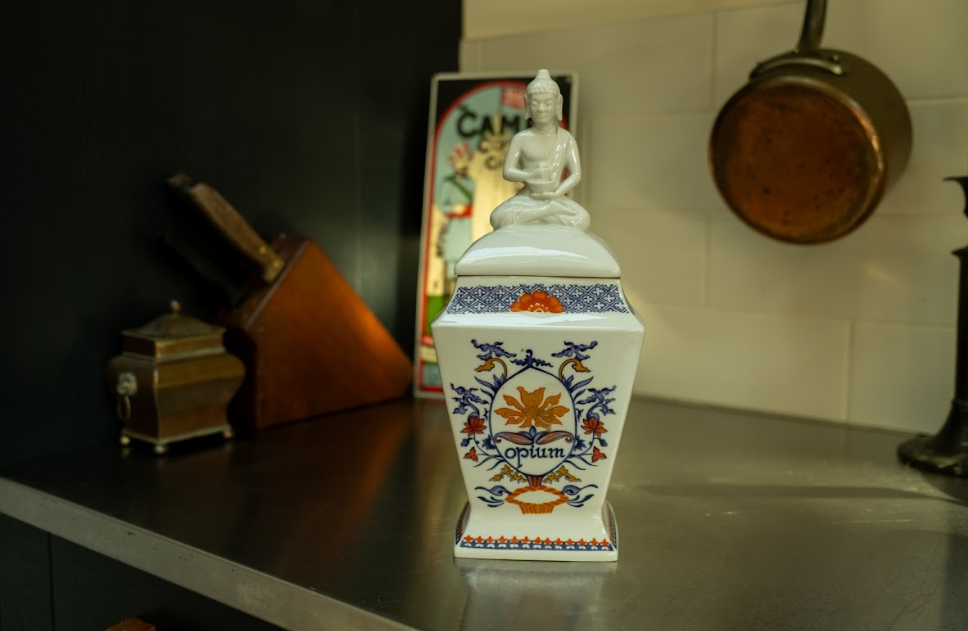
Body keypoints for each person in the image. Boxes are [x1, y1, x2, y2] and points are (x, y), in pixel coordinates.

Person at [489, 69, 590, 232]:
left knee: (582, 219)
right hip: (527, 198)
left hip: (555, 197)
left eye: (548, 103)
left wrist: (557, 193)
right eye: (535, 103)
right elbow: (508, 171)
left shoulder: (566, 139)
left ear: (558, 104)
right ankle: (546, 212)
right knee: (497, 217)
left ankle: (541, 212)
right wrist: (530, 175)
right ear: (527, 104)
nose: (541, 109)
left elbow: (576, 174)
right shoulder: (521, 138)